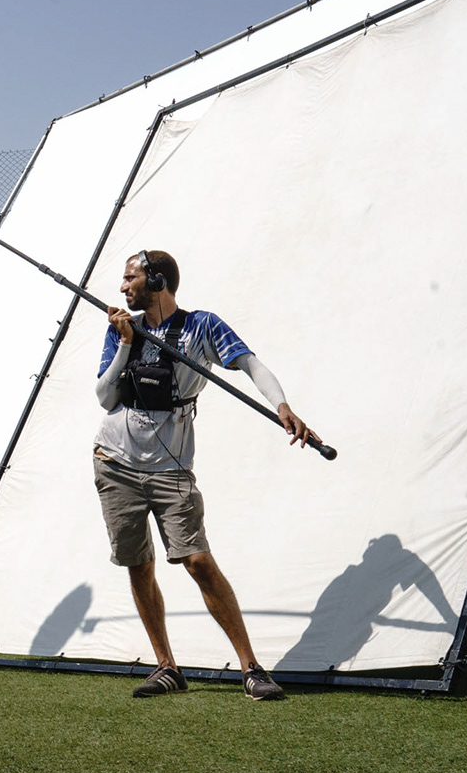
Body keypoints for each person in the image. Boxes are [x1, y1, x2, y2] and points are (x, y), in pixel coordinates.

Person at [94, 250, 316, 702]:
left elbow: (250, 364)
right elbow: (104, 397)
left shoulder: (202, 326)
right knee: (139, 565)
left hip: (171, 470)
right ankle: (167, 667)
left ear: (157, 281)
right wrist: (125, 343)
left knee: (197, 560)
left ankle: (251, 668)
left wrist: (282, 405)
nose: (122, 287)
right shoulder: (121, 328)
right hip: (115, 463)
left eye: (130, 278)